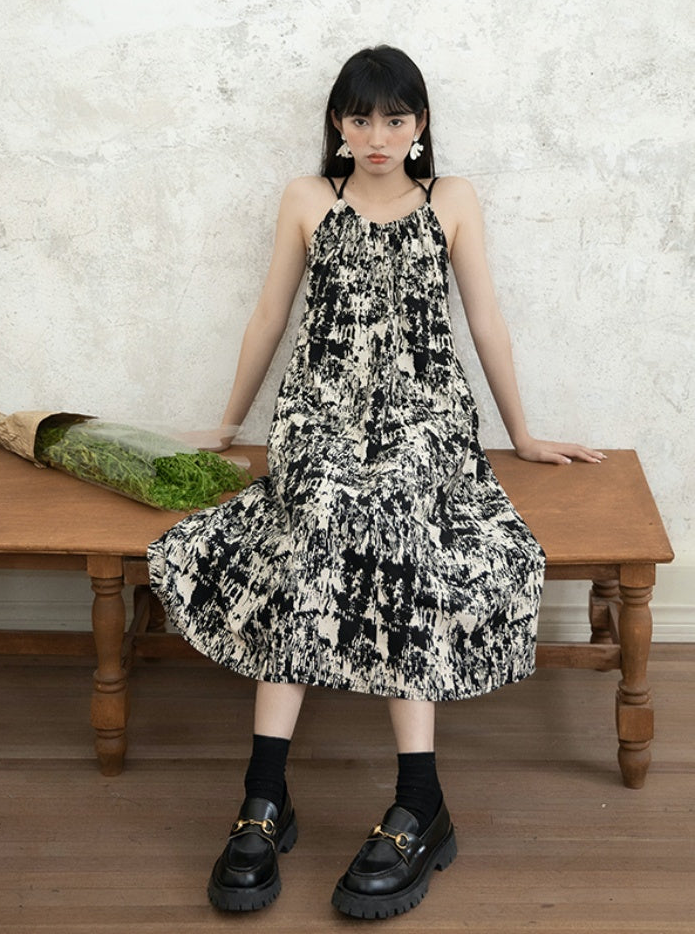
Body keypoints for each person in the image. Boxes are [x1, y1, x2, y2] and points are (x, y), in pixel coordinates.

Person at [147, 45, 604, 920]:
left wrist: (522, 435)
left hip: (424, 414)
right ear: (338, 124)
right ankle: (265, 794)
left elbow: (486, 320)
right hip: (321, 410)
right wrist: (230, 424)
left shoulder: (452, 200)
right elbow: (270, 315)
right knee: (317, 513)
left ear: (420, 124)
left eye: (395, 119)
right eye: (361, 119)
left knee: (398, 516)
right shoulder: (307, 199)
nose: (378, 136)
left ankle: (419, 799)